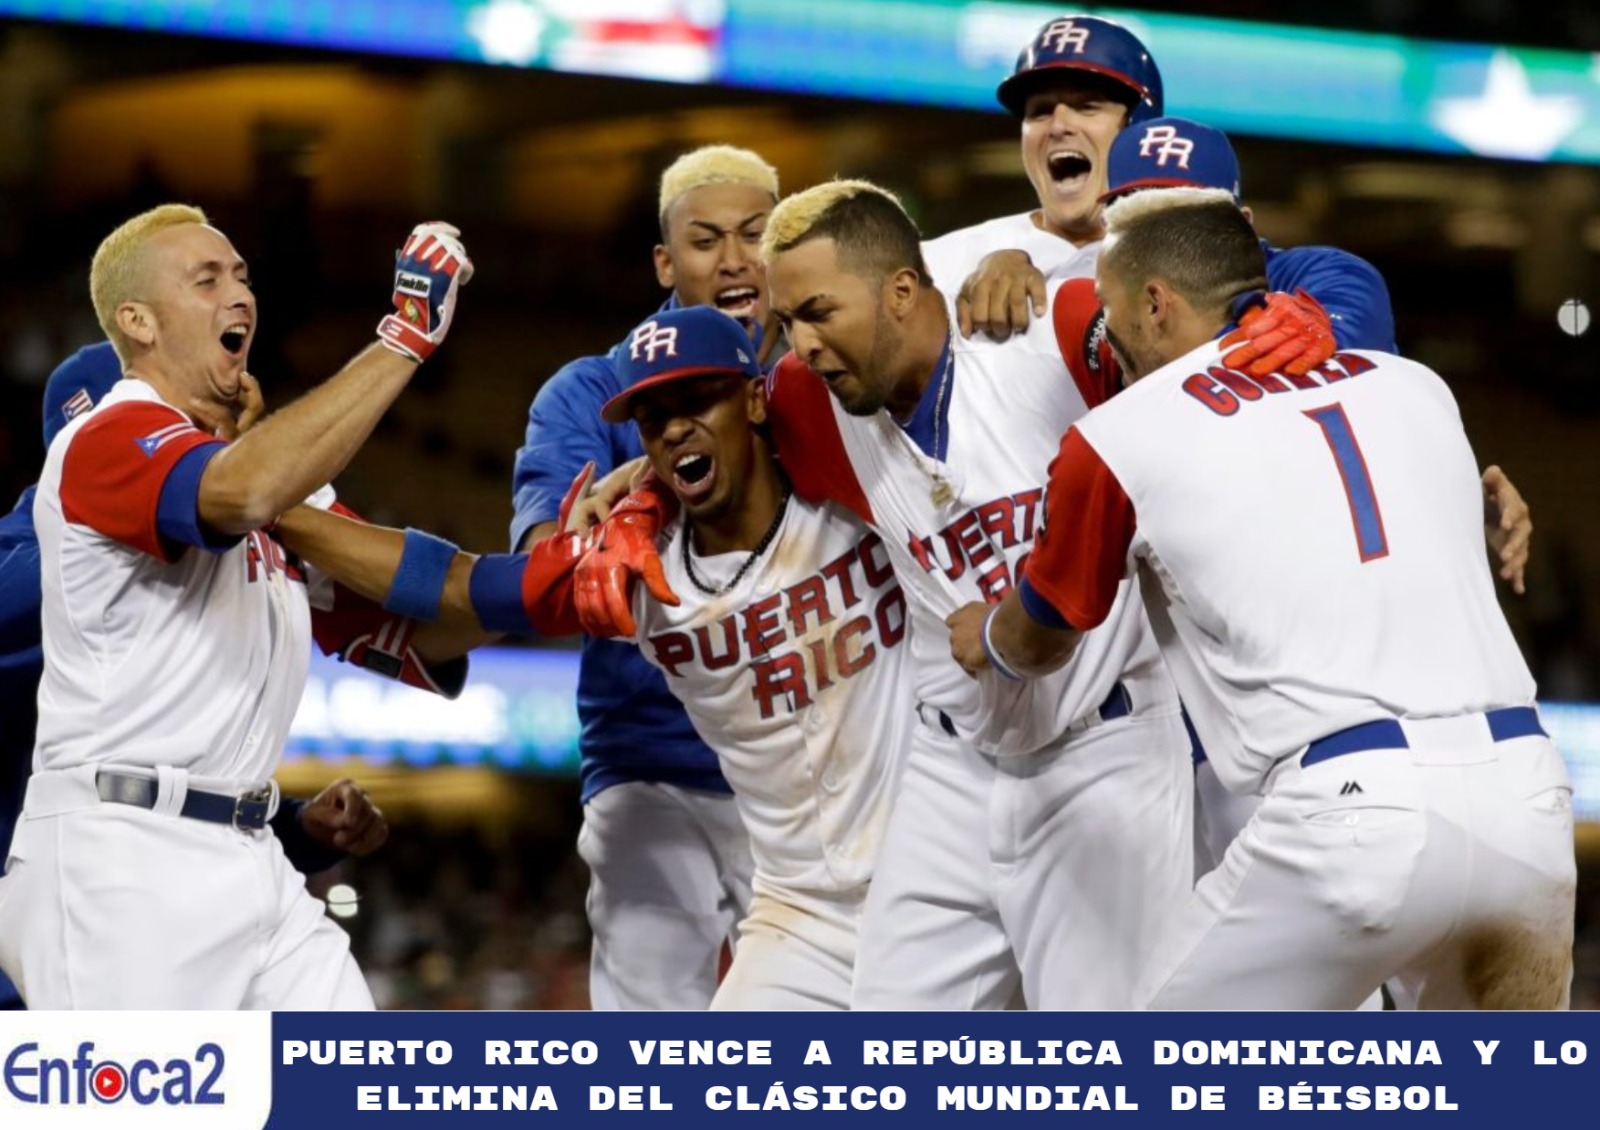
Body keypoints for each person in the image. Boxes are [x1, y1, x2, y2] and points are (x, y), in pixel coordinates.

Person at [950, 188, 1575, 1009]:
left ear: (1155, 303)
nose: (1107, 343)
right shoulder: (1416, 385)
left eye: (1112, 314)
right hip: (1526, 799)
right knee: (1507, 1099)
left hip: (1350, 814)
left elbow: (1044, 636)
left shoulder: (1123, 430)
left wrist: (986, 638)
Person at [274, 305, 916, 1010]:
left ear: (757, 396)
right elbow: (458, 583)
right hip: (803, 908)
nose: (675, 428)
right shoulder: (629, 572)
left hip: (928, 871)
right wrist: (275, 507)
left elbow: (887, 318)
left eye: (697, 398)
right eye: (652, 416)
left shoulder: (854, 494)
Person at [0, 204, 472, 1009]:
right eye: (207, 278)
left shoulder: (267, 502)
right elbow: (240, 490)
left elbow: (429, 610)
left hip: (251, 856)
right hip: (120, 859)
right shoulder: (107, 443)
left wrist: (565, 573)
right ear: (137, 326)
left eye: (242, 276)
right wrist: (402, 338)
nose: (239, 293)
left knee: (357, 1093)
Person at [0, 344, 391, 1009]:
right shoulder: (36, 555)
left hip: (160, 906)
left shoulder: (203, 565)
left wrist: (291, 826)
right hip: (62, 926)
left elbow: (166, 774)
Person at [508, 145, 774, 1009]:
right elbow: (549, 559)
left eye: (755, 234)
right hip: (657, 762)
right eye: (706, 241)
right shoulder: (592, 391)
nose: (734, 259)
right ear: (666, 261)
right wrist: (598, 530)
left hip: (816, 761)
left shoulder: (828, 372)